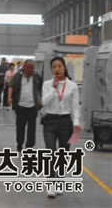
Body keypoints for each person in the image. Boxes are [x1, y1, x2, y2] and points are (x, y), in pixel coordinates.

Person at [41, 57, 81, 199]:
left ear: (64, 68)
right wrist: (53, 89)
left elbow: (75, 106)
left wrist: (76, 122)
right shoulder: (47, 84)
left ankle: (59, 182)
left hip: (65, 122)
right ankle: (51, 184)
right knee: (51, 153)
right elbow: (43, 102)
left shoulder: (72, 86)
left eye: (59, 66)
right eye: (54, 67)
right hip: (50, 121)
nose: (57, 69)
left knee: (63, 154)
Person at [7, 59, 42, 151]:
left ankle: (29, 146)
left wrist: (40, 100)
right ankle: (19, 143)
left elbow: (40, 89)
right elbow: (11, 86)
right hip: (20, 106)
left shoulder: (37, 76)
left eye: (32, 68)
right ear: (24, 67)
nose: (30, 70)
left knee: (32, 128)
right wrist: (9, 98)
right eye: (29, 68)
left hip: (32, 106)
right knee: (20, 127)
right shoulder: (18, 76)